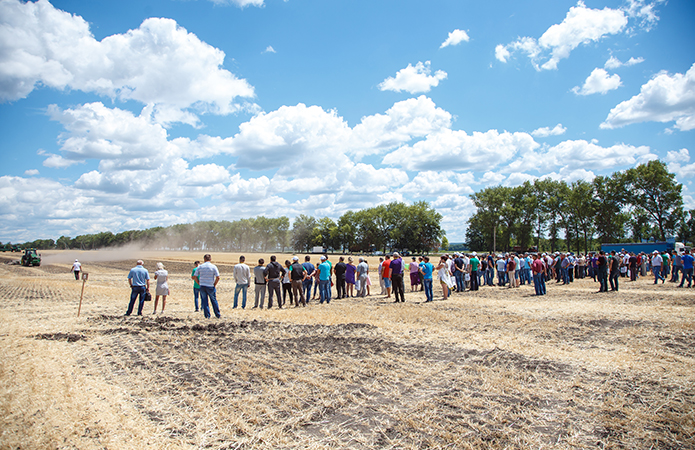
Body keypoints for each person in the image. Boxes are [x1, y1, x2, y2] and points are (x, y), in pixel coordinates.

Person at [194, 254, 221, 319]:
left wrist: (199, 283)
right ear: (210, 259)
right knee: (213, 300)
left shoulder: (200, 267)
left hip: (202, 285)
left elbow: (195, 276)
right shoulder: (213, 266)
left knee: (205, 301)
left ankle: (207, 316)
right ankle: (217, 314)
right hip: (210, 285)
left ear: (204, 259)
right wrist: (214, 284)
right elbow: (218, 277)